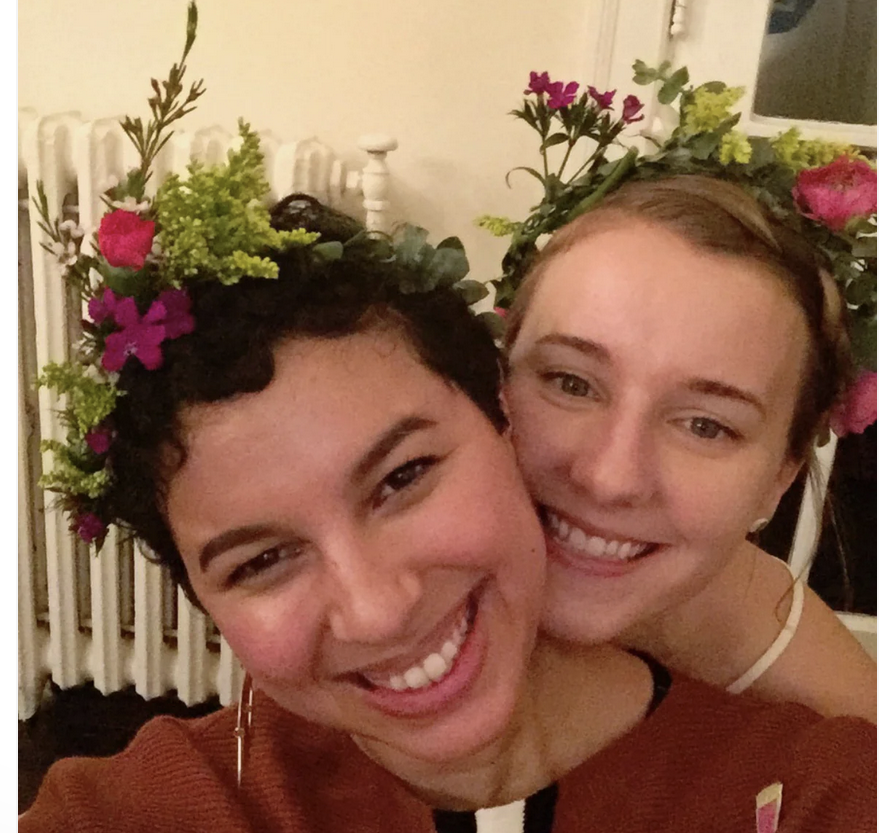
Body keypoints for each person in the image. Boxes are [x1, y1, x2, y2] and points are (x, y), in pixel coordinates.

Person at [22, 186, 876, 832]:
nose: (611, 478)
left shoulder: (811, 788)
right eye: (262, 559)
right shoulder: (165, 803)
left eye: (402, 478)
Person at [503, 175, 877, 722]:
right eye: (572, 383)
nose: (611, 478)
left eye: (705, 426)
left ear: (780, 478)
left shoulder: (838, 729)